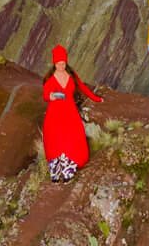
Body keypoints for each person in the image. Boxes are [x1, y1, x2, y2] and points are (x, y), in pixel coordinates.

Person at [41, 44, 103, 182]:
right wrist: (53, 96)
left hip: (70, 112)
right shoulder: (50, 80)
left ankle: (68, 171)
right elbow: (45, 95)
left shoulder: (71, 75)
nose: (61, 66)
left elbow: (82, 87)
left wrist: (96, 98)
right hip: (55, 114)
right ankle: (57, 174)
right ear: (54, 63)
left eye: (63, 63)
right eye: (58, 63)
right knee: (57, 142)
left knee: (71, 140)